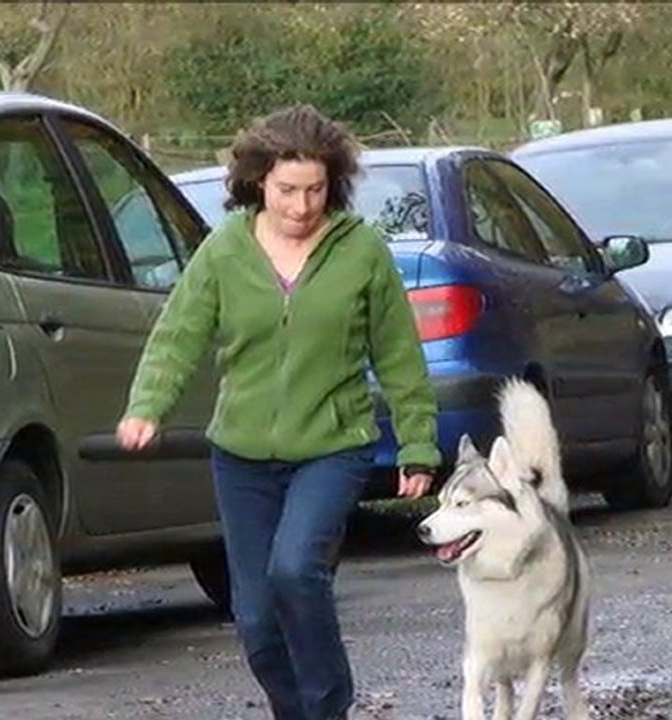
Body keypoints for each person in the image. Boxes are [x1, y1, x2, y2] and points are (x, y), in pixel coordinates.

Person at [116, 104, 441, 720]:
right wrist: (146, 407)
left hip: (332, 445)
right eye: (288, 190)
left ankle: (327, 709)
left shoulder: (361, 251)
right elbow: (177, 337)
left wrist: (418, 444)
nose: (301, 206)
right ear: (258, 182)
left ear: (333, 183)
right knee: (256, 618)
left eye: (316, 190)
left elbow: (399, 356)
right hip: (240, 456)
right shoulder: (223, 252)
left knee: (296, 571)